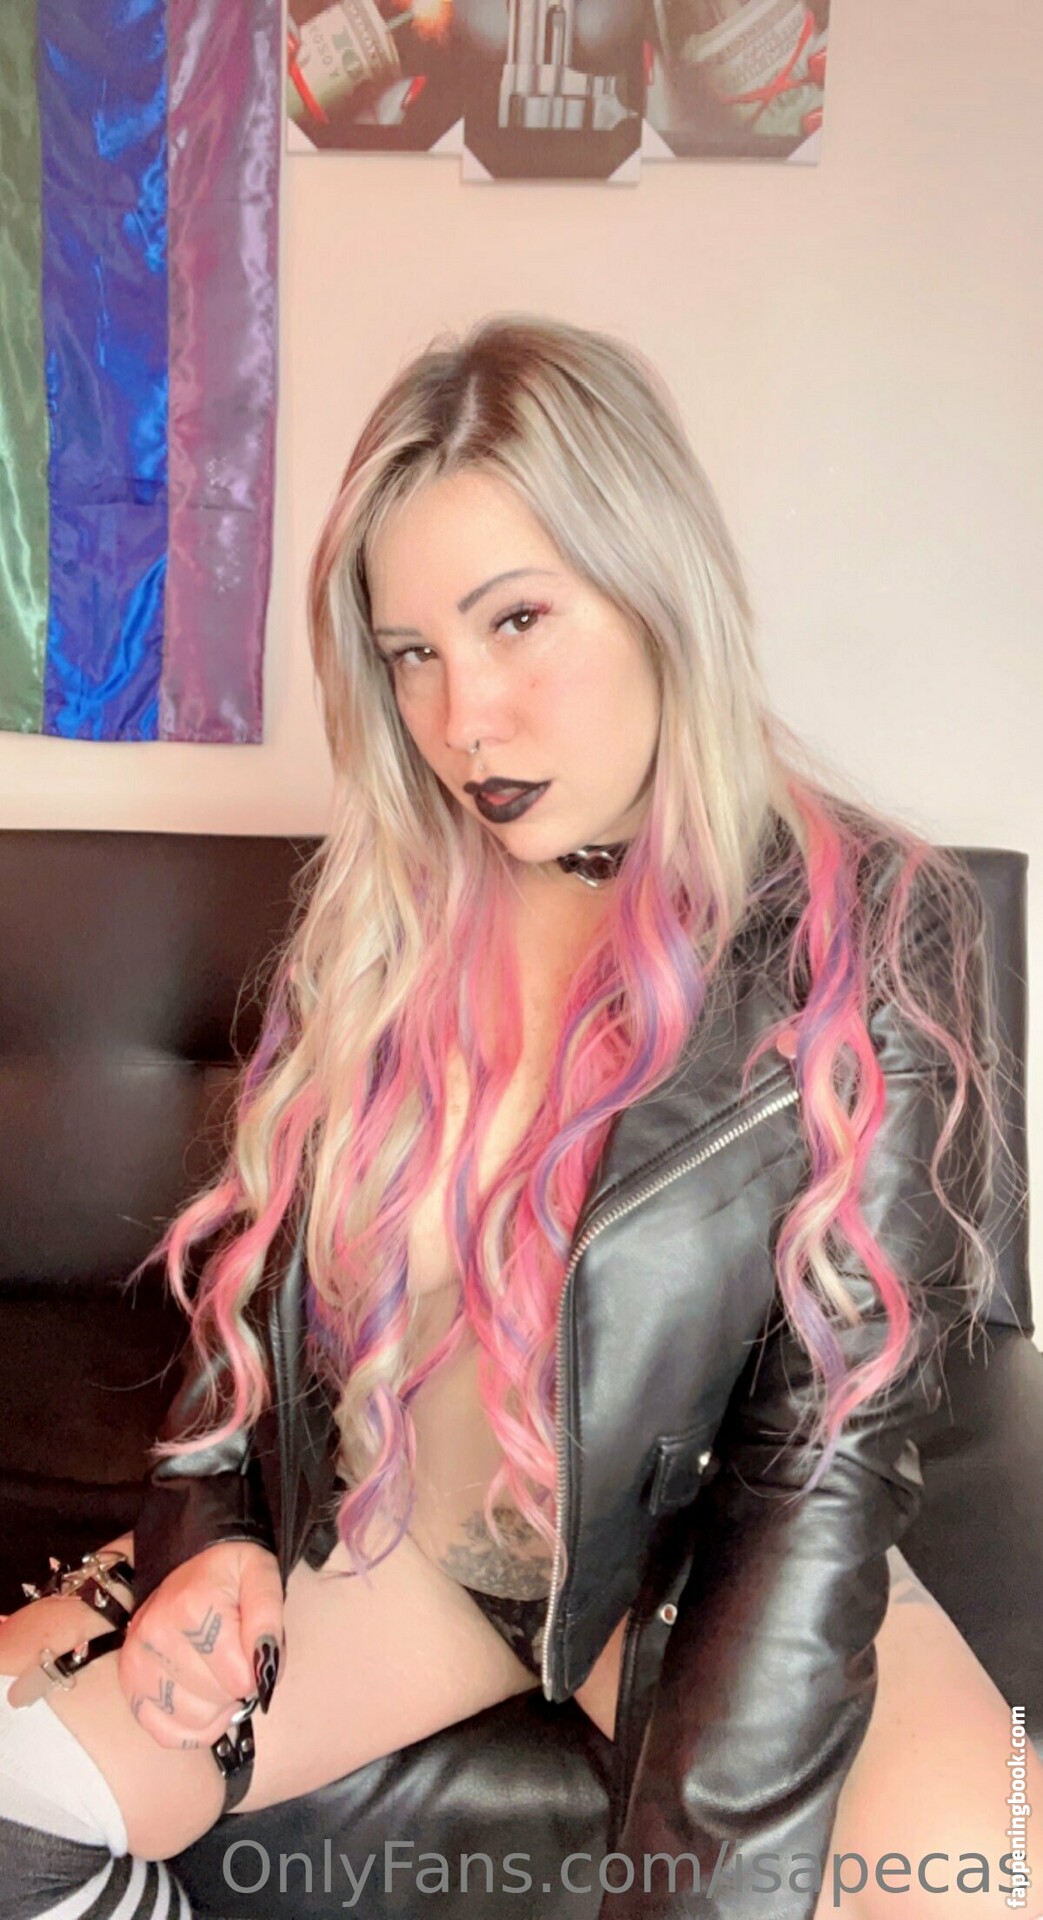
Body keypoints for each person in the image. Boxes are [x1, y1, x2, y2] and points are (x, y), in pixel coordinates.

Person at [0, 314, 1037, 1920]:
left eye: (517, 620)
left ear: (655, 586)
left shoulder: (865, 930)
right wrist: (212, 1530)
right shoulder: (388, 919)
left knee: (988, 1878)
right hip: (408, 1546)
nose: (462, 718)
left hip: (691, 1563)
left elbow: (817, 1459)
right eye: (412, 653)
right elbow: (253, 1300)